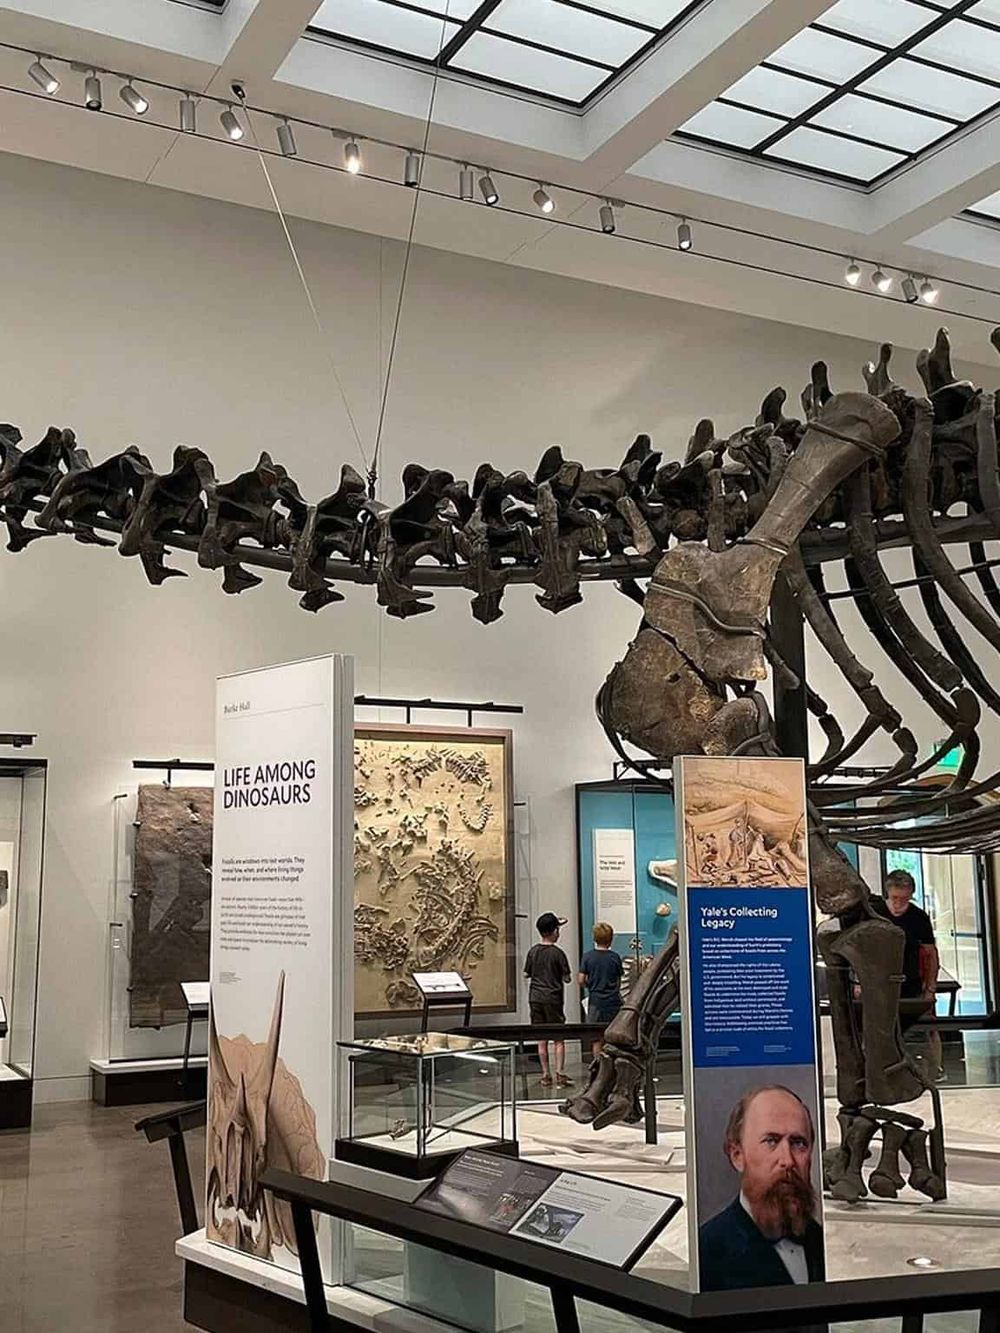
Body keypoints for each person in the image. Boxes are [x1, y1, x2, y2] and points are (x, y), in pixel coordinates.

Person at [698, 1085, 824, 1291]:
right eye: (771, 1141)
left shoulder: (818, 1241)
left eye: (799, 1143)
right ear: (737, 1155)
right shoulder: (710, 1250)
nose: (787, 1161)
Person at [878, 868, 942, 1077]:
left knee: (924, 1029)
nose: (898, 904)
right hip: (879, 985)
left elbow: (931, 954)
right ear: (887, 894)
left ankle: (932, 1070)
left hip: (911, 983)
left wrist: (930, 988)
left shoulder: (918, 917)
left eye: (904, 899)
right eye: (895, 898)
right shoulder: (875, 913)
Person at [524, 912, 572, 1088]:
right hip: (553, 998)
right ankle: (560, 1072)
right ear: (554, 931)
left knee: (541, 1038)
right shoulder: (558, 954)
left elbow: (526, 973)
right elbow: (567, 978)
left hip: (535, 997)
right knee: (558, 1038)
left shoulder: (533, 951)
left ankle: (545, 1074)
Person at [578, 921, 623, 1057]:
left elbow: (580, 980)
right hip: (613, 1001)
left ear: (594, 938)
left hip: (595, 1001)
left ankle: (597, 1067)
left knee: (596, 1039)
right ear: (610, 939)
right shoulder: (614, 957)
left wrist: (590, 986)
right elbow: (618, 980)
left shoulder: (588, 957)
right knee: (613, 1037)